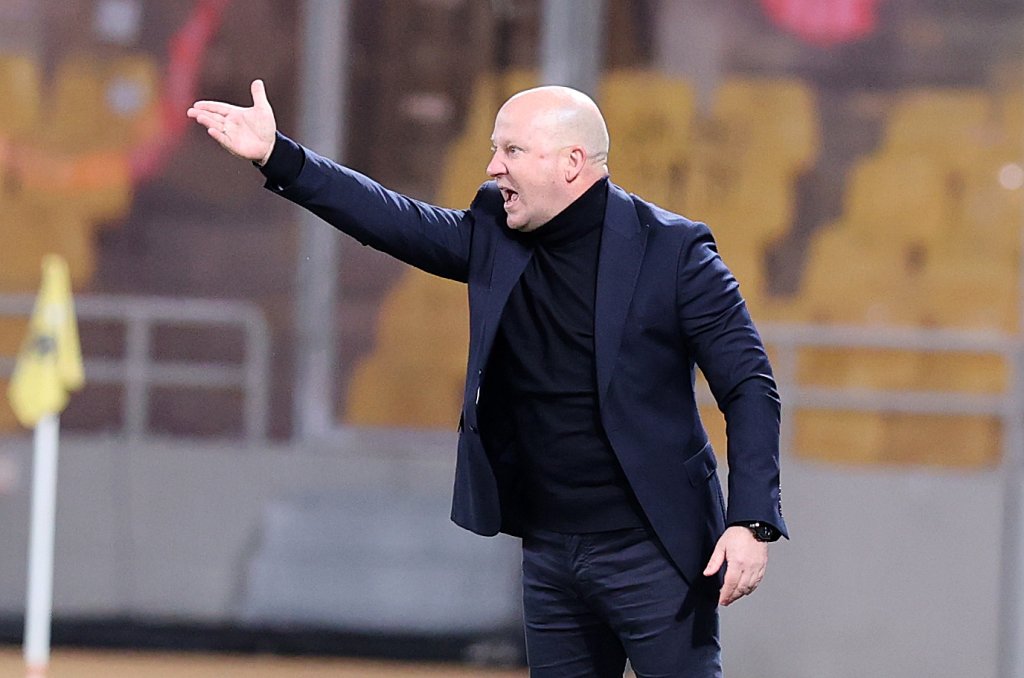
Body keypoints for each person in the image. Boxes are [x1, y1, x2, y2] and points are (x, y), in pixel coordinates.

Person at [188, 79, 787, 677]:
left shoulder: (675, 251)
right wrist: (278, 155)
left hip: (655, 547)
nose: (494, 166)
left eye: (512, 150)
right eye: (495, 149)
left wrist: (750, 521)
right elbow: (391, 218)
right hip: (550, 551)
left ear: (572, 162)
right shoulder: (495, 232)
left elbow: (749, 385)